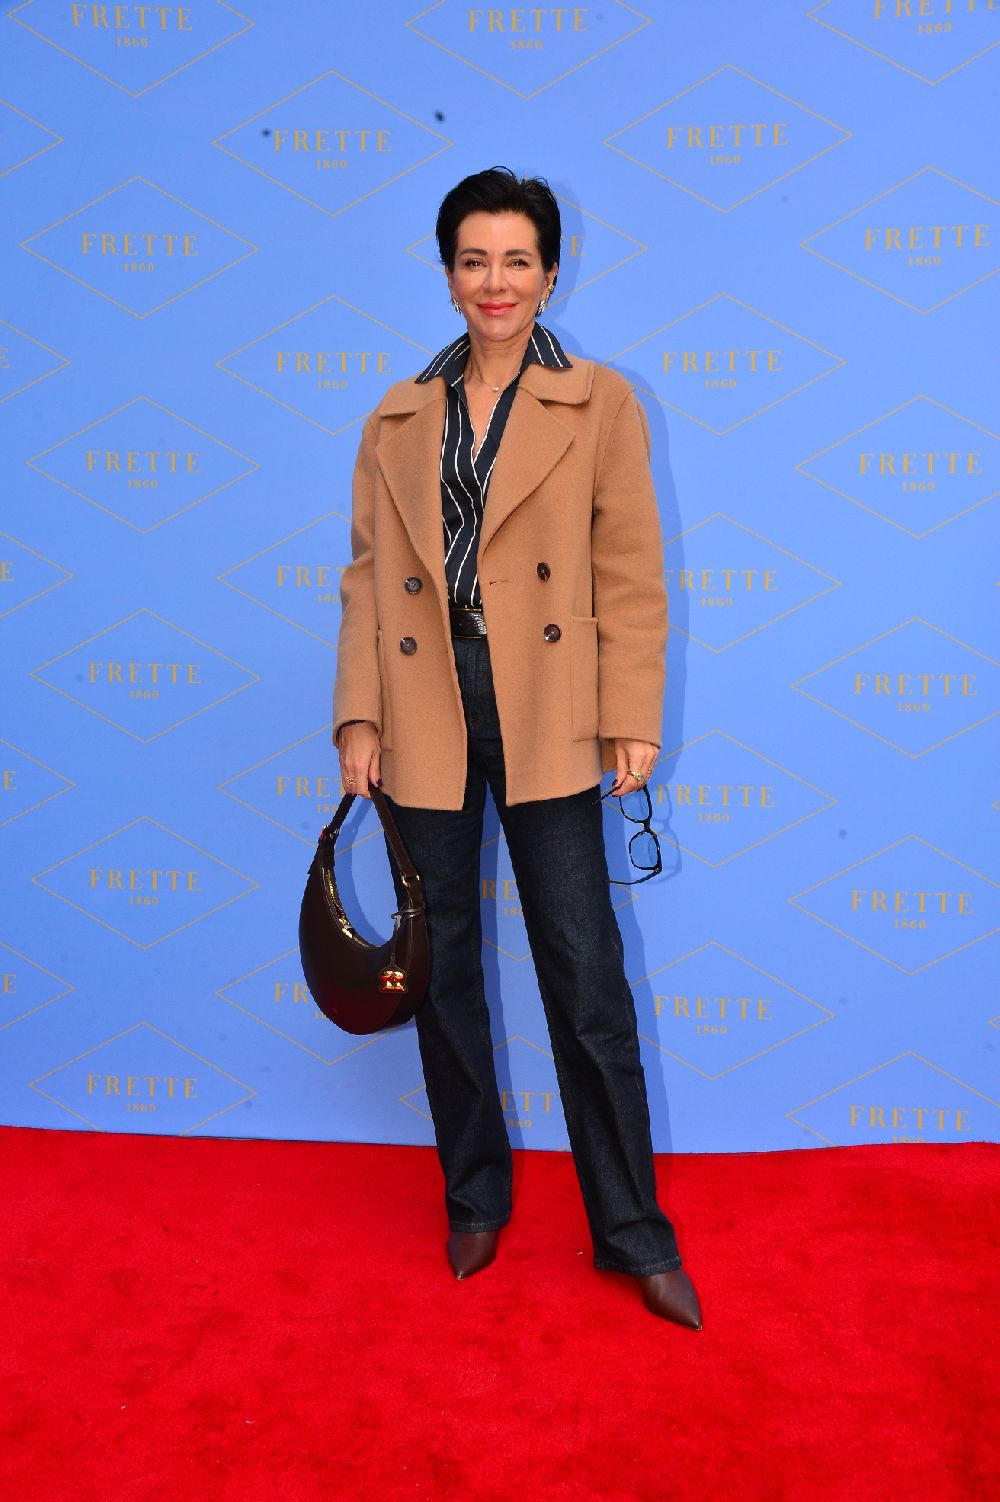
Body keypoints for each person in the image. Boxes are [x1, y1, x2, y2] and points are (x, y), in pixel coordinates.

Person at [332, 167, 702, 1330]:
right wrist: (357, 716)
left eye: (516, 259)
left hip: (546, 700)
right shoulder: (398, 416)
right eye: (473, 259)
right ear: (448, 273)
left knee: (584, 974)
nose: (494, 281)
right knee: (441, 964)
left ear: (550, 273)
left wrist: (630, 711)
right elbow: (365, 580)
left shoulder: (600, 402)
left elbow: (630, 571)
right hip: (423, 698)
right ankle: (474, 1194)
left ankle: (632, 1230)